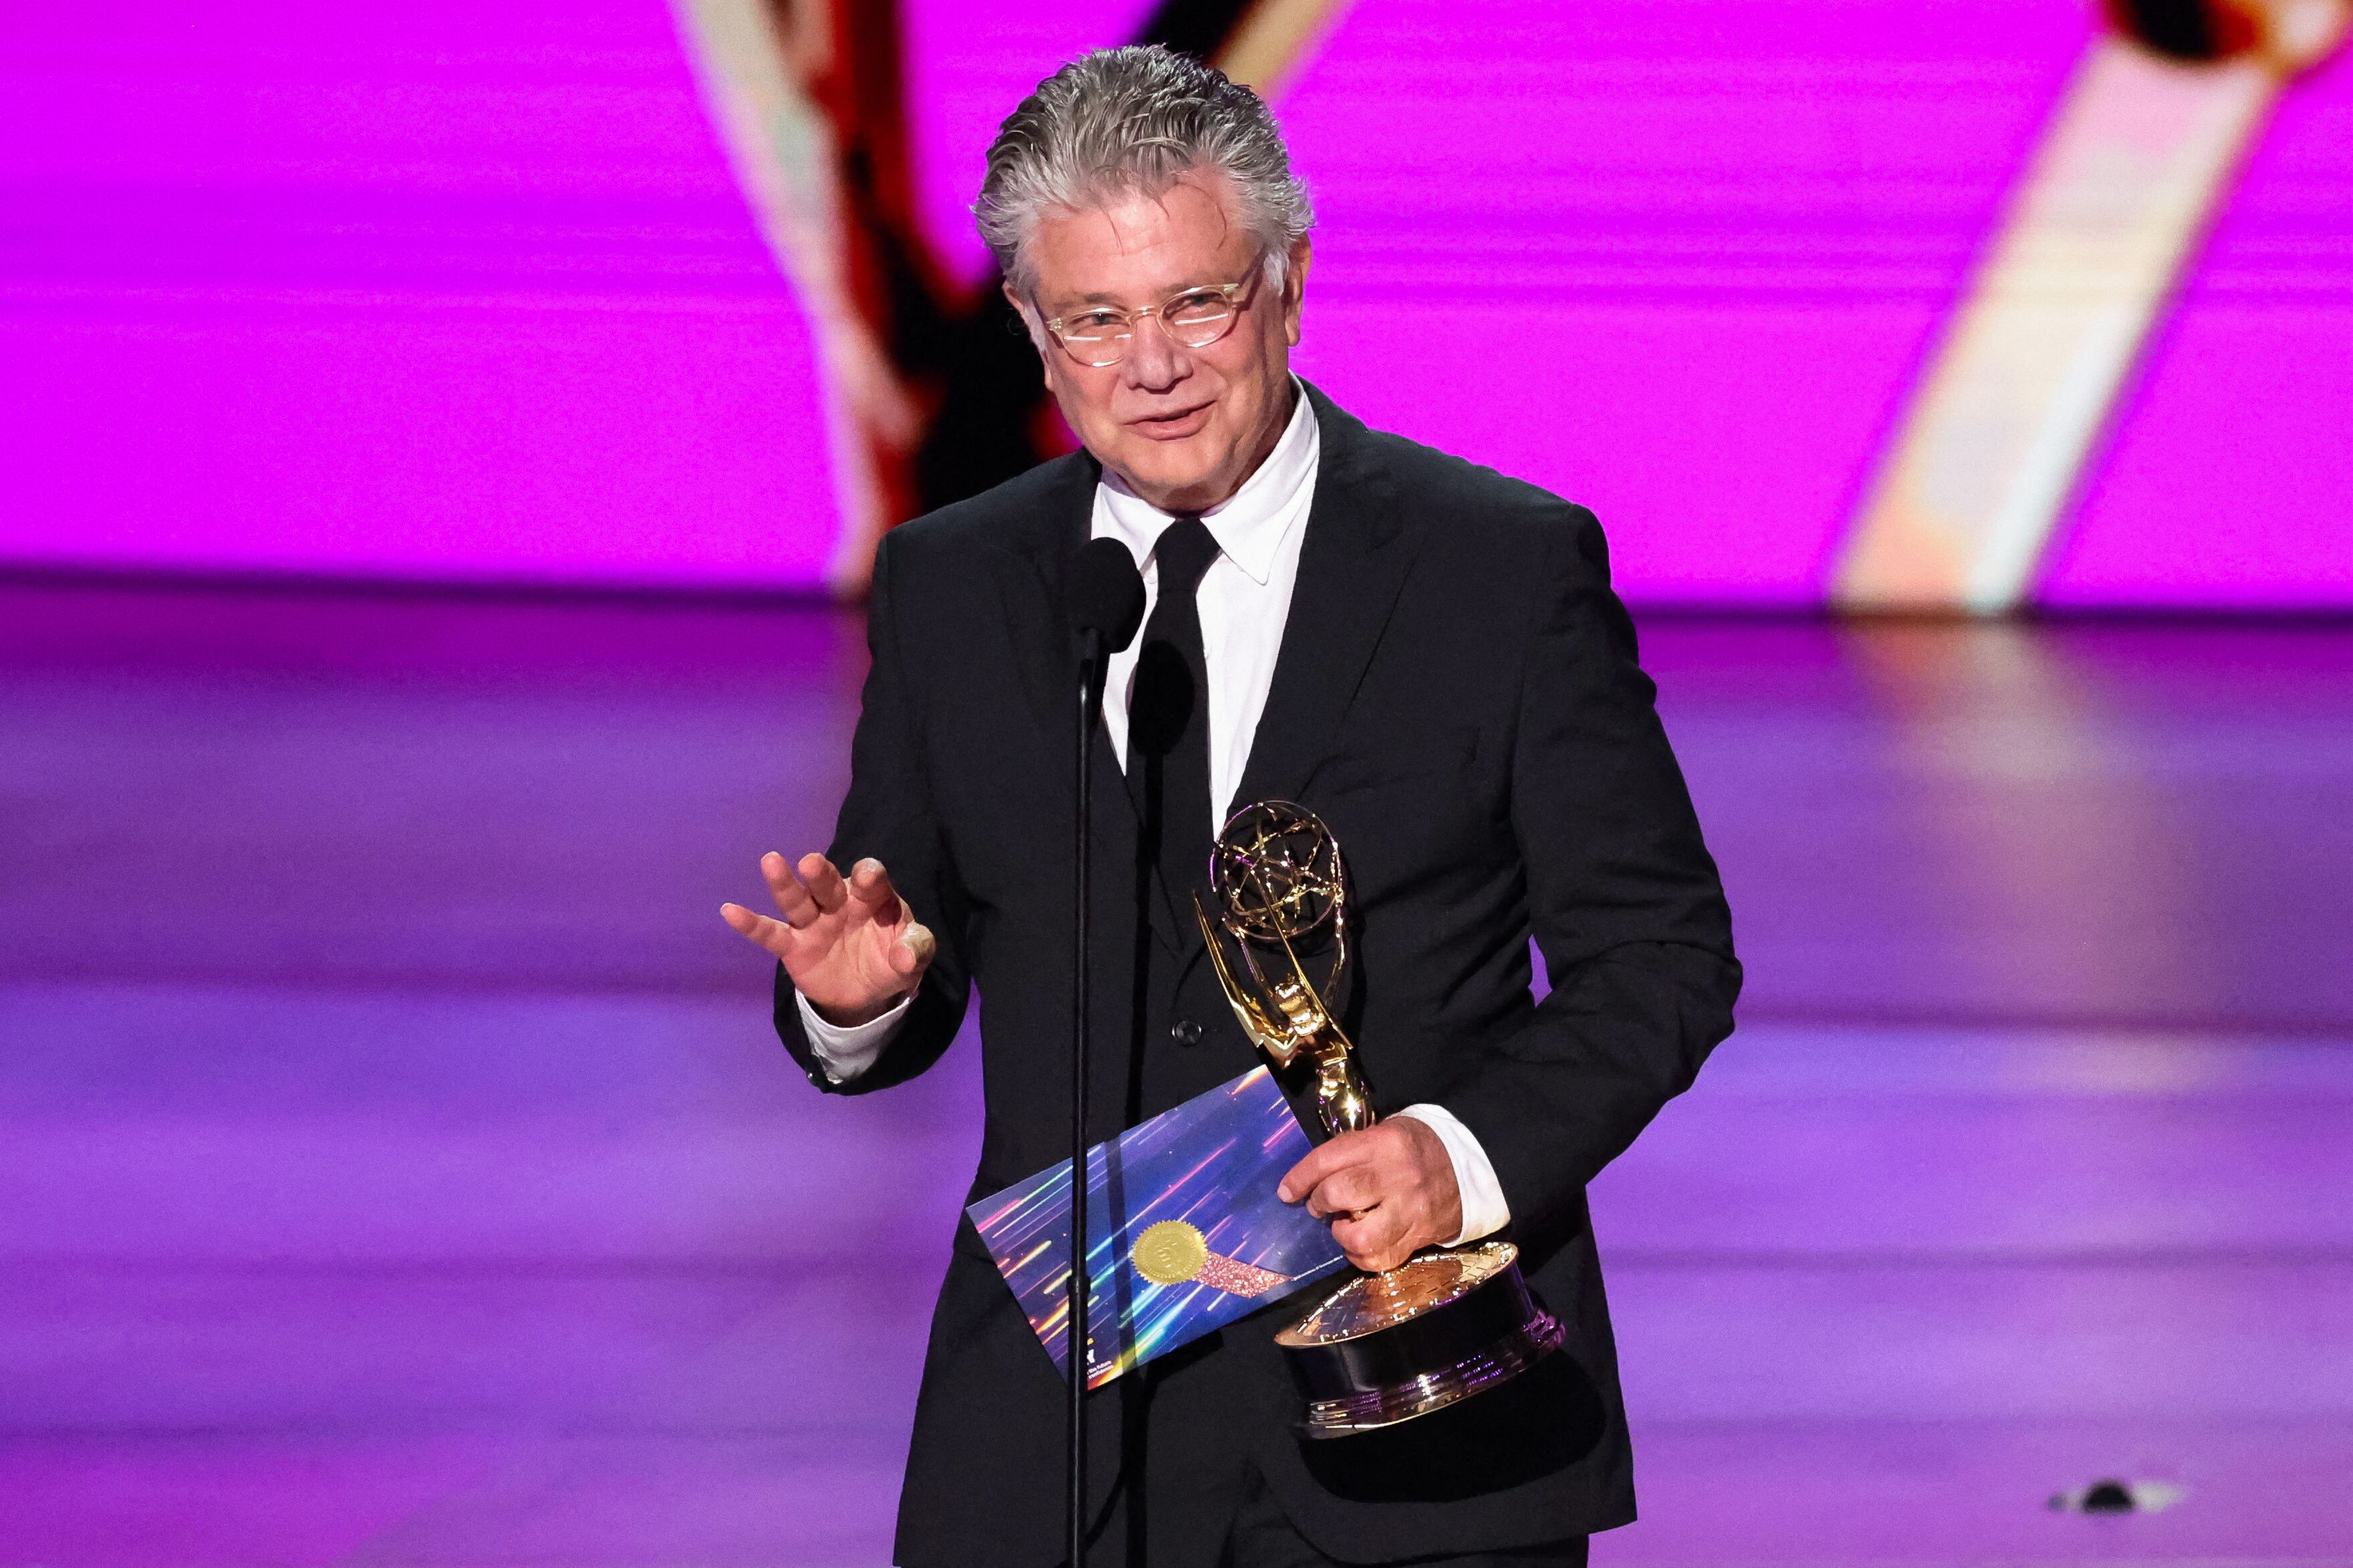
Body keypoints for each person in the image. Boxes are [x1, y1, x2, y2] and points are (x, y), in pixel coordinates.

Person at [721, 45, 1739, 1568]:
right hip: (1057, 1445)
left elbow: (1661, 959)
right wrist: (861, 1004)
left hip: (1404, 1407)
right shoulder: (959, 585)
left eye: (1197, 302)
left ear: (1288, 280)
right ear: (1031, 329)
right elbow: (904, 959)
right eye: (1096, 320)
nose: (1155, 367)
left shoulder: (1497, 571)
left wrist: (1455, 1156)